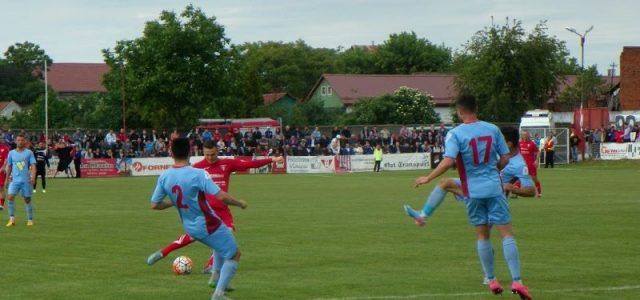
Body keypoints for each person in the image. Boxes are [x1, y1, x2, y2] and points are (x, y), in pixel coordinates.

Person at [402, 95, 532, 299]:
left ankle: (491, 279)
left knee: (482, 236)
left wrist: (428, 177)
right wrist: (493, 170)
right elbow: (505, 157)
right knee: (506, 234)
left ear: (459, 111)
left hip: (472, 191)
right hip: (494, 188)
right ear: (476, 108)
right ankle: (517, 281)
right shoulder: (492, 129)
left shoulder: (455, 134)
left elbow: (447, 161)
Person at [147, 141, 284, 275]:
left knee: (223, 235)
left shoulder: (227, 163)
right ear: (203, 153)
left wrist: (272, 159)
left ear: (217, 151)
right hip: (205, 211)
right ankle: (163, 253)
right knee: (194, 237)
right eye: (207, 155)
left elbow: (250, 164)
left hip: (222, 210)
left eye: (212, 154)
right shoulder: (197, 168)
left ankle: (210, 266)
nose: (210, 158)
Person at [150, 138, 246, 300]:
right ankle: (218, 294)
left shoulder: (164, 176)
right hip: (208, 223)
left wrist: (173, 202)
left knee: (221, 247)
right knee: (234, 254)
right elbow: (221, 196)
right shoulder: (198, 174)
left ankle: (217, 279)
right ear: (189, 152)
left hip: (190, 226)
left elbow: (154, 204)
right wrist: (240, 203)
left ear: (171, 153)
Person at [5, 134, 37, 227]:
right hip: (14, 180)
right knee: (10, 197)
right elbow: (9, 166)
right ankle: (12, 219)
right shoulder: (11, 153)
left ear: (25, 141)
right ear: (16, 141)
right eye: (18, 140)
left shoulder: (29, 153)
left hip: (25, 181)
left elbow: (33, 166)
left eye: (22, 140)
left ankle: (30, 219)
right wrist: (7, 179)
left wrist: (33, 177)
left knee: (27, 199)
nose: (20, 142)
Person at [519, 131, 542, 197]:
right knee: (520, 177)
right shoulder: (519, 143)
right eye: (523, 135)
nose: (524, 136)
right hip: (522, 164)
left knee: (534, 178)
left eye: (526, 135)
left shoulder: (532, 143)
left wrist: (536, 160)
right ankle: (516, 193)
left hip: (531, 164)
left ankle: (539, 192)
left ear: (528, 135)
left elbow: (538, 152)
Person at [0, 135, 9, 210]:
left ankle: (1, 205)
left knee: (1, 188)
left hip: (1, 171)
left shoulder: (5, 148)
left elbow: (6, 159)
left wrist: (3, 167)